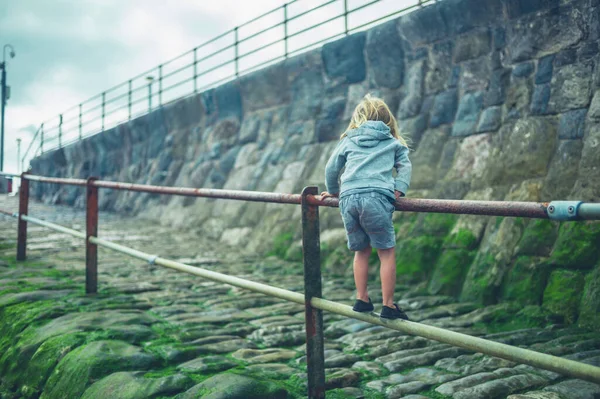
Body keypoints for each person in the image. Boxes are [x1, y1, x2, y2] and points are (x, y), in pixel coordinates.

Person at [321, 94, 412, 320]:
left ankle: (362, 298)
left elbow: (331, 169)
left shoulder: (349, 140)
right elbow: (405, 166)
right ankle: (388, 305)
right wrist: (399, 188)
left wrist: (334, 191)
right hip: (377, 198)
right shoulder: (392, 142)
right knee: (386, 252)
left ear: (358, 118)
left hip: (348, 198)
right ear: (387, 119)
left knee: (361, 251)